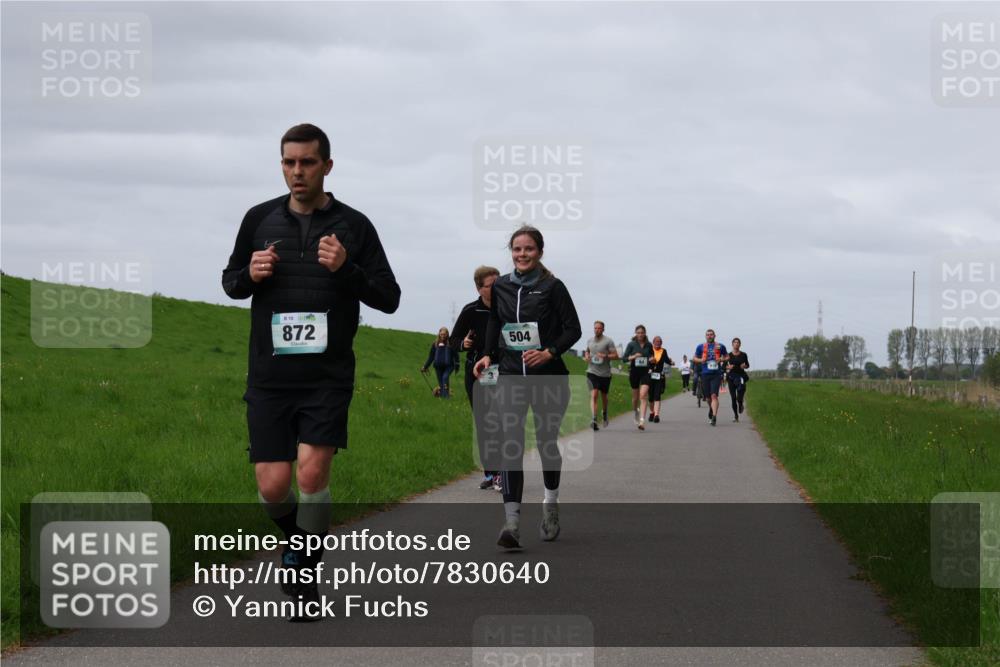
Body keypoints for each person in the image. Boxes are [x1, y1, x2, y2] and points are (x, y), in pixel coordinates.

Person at [221, 123, 400, 620]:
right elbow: (231, 282)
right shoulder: (258, 219)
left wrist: (346, 268)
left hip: (327, 377)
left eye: (306, 163)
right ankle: (299, 542)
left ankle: (302, 572)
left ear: (327, 165)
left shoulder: (355, 227)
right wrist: (248, 276)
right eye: (288, 162)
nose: (296, 172)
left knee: (312, 473)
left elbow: (389, 298)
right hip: (270, 377)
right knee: (273, 487)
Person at [474, 225, 582, 549]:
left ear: (540, 252)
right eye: (517, 250)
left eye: (529, 249)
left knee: (547, 442)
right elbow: (496, 322)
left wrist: (549, 351)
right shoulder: (503, 286)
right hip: (510, 375)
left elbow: (573, 329)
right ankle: (512, 522)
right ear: (511, 252)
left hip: (548, 378)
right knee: (511, 443)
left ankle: (550, 505)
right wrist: (487, 355)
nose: (522, 255)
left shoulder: (553, 287)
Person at [449, 266, 501, 489]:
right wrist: (464, 344)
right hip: (478, 373)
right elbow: (453, 340)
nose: (497, 289)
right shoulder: (471, 310)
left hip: (504, 370)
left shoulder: (508, 308)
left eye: (500, 284)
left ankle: (502, 473)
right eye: (492, 286)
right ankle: (491, 473)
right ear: (480, 288)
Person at [583, 320, 619, 430]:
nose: (597, 330)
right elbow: (587, 351)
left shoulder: (608, 341)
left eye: (599, 328)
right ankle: (593, 419)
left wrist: (605, 355)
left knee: (604, 397)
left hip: (605, 374)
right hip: (592, 371)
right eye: (595, 328)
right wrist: (587, 357)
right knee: (594, 395)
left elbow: (616, 356)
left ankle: (605, 413)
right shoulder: (589, 340)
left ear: (603, 329)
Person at [622, 325, 654, 430]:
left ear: (645, 333)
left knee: (643, 395)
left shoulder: (649, 345)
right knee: (635, 398)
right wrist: (634, 356)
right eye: (638, 332)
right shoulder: (631, 344)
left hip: (645, 372)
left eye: (642, 332)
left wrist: (652, 360)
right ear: (635, 333)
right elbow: (624, 359)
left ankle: (642, 421)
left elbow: (652, 357)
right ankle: (636, 411)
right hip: (634, 372)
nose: (640, 334)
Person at [694, 329, 728, 427]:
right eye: (708, 335)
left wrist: (722, 359)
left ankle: (714, 416)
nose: (709, 336)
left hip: (716, 374)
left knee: (714, 396)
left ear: (714, 336)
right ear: (705, 336)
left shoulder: (720, 346)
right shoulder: (700, 346)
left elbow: (727, 357)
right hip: (705, 374)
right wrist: (701, 360)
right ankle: (711, 408)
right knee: (708, 398)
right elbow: (695, 358)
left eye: (711, 334)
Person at [421, 327, 457, 398]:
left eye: (444, 334)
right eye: (441, 334)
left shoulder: (451, 343)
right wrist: (425, 367)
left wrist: (457, 366)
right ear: (439, 334)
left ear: (447, 334)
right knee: (441, 384)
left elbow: (456, 355)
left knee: (445, 378)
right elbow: (431, 357)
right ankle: (443, 397)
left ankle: (446, 397)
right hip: (438, 367)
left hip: (449, 366)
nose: (443, 336)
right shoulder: (435, 344)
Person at [647, 336, 673, 423]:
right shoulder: (649, 350)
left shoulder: (663, 351)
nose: (658, 343)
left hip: (659, 376)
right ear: (653, 342)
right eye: (656, 341)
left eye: (659, 342)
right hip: (650, 376)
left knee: (657, 395)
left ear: (661, 343)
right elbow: (646, 359)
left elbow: (666, 360)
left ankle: (656, 415)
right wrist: (649, 361)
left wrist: (671, 362)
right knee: (650, 397)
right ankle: (652, 412)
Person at [726, 337, 750, 422]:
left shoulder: (743, 355)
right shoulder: (728, 355)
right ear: (732, 344)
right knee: (733, 397)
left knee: (740, 393)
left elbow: (747, 365)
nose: (736, 344)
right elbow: (723, 366)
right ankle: (736, 416)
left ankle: (740, 403)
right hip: (731, 377)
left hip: (741, 376)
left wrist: (745, 366)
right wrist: (727, 367)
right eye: (735, 342)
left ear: (740, 344)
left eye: (738, 342)